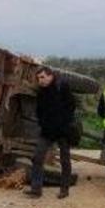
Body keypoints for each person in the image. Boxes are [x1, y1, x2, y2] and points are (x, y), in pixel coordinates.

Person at [25, 67, 76, 199]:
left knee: (65, 160)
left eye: (42, 77)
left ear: (50, 76)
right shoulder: (42, 92)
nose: (40, 80)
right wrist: (43, 123)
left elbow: (71, 106)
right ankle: (36, 189)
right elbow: (39, 110)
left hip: (62, 131)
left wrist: (64, 123)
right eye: (38, 78)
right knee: (37, 157)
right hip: (47, 131)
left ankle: (64, 189)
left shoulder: (62, 87)